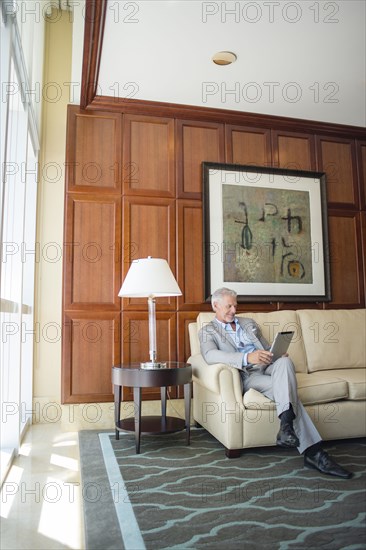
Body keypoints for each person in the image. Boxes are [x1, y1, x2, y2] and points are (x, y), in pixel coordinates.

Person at [199, 287, 353, 479]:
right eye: (229, 306)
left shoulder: (248, 323)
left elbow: (265, 347)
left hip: (268, 366)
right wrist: (247, 357)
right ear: (215, 305)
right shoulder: (208, 330)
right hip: (248, 374)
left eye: (235, 306)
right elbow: (210, 355)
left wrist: (275, 353)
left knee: (285, 361)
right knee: (288, 394)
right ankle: (315, 454)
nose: (233, 310)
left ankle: (285, 427)